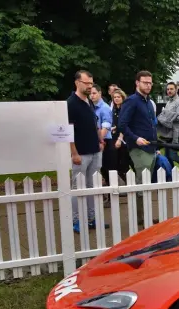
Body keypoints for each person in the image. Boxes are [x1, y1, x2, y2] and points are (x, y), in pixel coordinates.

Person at [67, 70, 101, 233]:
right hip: (81, 153)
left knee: (92, 186)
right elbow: (68, 131)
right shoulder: (71, 104)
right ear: (77, 83)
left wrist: (100, 140)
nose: (89, 86)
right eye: (86, 83)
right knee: (77, 187)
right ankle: (76, 220)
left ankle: (91, 218)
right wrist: (74, 153)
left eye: (91, 84)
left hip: (94, 150)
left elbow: (93, 122)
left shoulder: (89, 101)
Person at [118, 70, 159, 178]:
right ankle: (138, 195)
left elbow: (152, 125)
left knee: (147, 181)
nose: (148, 85)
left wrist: (156, 146)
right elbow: (122, 125)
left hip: (151, 146)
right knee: (142, 182)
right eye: (145, 82)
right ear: (137, 83)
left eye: (150, 83)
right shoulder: (131, 101)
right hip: (139, 148)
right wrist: (136, 138)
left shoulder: (149, 102)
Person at [157, 82, 179, 170]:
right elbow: (165, 116)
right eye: (168, 89)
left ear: (176, 89)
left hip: (177, 133)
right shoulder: (169, 102)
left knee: (173, 155)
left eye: (171, 89)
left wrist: (166, 114)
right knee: (168, 156)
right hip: (168, 134)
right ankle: (171, 173)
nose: (169, 91)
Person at [90, 85, 114, 186]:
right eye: (90, 93)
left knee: (105, 168)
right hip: (95, 141)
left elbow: (106, 126)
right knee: (96, 169)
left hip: (104, 141)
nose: (92, 95)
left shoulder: (105, 108)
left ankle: (109, 194)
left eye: (94, 93)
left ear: (100, 93)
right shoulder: (90, 107)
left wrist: (100, 141)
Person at [110, 88, 131, 180]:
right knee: (116, 161)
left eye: (118, 97)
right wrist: (114, 128)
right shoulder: (115, 110)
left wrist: (120, 138)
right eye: (114, 97)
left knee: (124, 162)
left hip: (124, 138)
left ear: (123, 98)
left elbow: (125, 124)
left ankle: (130, 182)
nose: (116, 99)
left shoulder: (125, 109)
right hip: (115, 136)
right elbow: (118, 124)